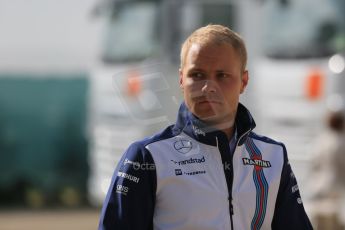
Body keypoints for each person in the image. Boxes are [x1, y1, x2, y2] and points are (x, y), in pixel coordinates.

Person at [99, 24, 313, 230]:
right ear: (181, 79)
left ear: (244, 81)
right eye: (197, 75)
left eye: (222, 76)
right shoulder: (146, 157)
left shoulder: (273, 155)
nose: (208, 87)